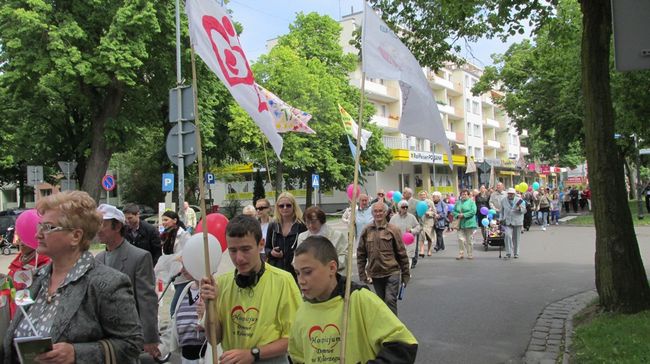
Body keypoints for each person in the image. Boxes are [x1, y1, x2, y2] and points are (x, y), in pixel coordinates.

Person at [3, 191, 142, 363]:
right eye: (40, 226)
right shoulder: (36, 278)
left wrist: (76, 353)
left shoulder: (106, 283)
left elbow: (132, 345)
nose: (37, 234)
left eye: (47, 227)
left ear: (76, 236)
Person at [289, 236, 418, 363]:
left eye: (307, 272)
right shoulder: (302, 311)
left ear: (332, 268)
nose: (301, 281)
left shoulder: (359, 299)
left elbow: (404, 344)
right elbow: (297, 356)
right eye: (297, 273)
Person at [200, 215, 302, 363]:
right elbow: (214, 340)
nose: (239, 258)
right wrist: (211, 306)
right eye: (232, 250)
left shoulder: (283, 281)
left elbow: (294, 339)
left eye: (245, 249)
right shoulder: (221, 283)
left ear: (261, 244)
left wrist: (253, 353)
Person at [95, 204, 160, 360]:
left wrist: (150, 337)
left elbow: (147, 300)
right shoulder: (98, 259)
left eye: (102, 224)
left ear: (117, 226)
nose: (98, 230)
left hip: (129, 335)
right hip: (103, 338)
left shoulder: (139, 257)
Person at [357, 202, 410, 315]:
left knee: (390, 300)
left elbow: (401, 253)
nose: (378, 213)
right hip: (376, 274)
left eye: (381, 211)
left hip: (392, 272)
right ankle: (384, 328)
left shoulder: (393, 230)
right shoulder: (367, 230)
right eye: (375, 211)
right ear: (372, 213)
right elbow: (361, 253)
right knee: (381, 304)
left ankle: (393, 329)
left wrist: (406, 274)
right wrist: (362, 274)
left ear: (386, 213)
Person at [7, 209, 51, 318]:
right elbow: (10, 294)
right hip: (14, 319)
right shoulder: (16, 264)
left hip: (33, 320)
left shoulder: (46, 264)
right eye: (20, 237)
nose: (21, 243)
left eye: (26, 238)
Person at [161, 261, 206, 364]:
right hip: (186, 357)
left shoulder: (211, 291)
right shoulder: (185, 291)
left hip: (205, 357)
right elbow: (175, 323)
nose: (181, 270)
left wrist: (206, 316)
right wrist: (161, 347)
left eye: (186, 265)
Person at [156, 210, 191, 317]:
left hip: (184, 276)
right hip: (175, 277)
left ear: (175, 220)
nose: (163, 222)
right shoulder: (166, 235)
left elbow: (187, 253)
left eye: (166, 220)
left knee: (174, 309)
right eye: (162, 220)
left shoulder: (184, 235)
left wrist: (179, 264)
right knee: (182, 306)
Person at [265, 192, 307, 279]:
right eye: (281, 206)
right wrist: (271, 253)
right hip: (276, 271)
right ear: (277, 207)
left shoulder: (301, 226)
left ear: (294, 206)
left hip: (295, 272)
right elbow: (266, 248)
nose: (285, 208)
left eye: (288, 205)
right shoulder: (272, 225)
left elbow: (306, 250)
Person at [296, 206, 348, 273]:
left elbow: (344, 259)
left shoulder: (337, 236)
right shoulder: (302, 237)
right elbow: (296, 259)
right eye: (307, 222)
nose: (310, 225)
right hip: (309, 279)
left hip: (331, 277)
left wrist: (324, 266)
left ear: (321, 220)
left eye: (313, 222)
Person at [389, 200, 421, 268]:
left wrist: (412, 230)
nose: (405, 208)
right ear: (399, 208)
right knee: (398, 257)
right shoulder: (394, 218)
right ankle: (401, 272)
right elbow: (389, 228)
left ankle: (407, 273)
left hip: (409, 242)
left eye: (406, 207)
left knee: (408, 257)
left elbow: (418, 227)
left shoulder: (411, 217)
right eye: (403, 207)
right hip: (398, 241)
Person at [501, 188, 527, 259]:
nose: (510, 195)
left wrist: (519, 209)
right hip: (507, 221)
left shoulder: (520, 200)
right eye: (509, 193)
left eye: (512, 194)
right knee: (507, 235)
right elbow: (501, 211)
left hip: (517, 221)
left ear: (514, 194)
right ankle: (508, 252)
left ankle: (516, 253)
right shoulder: (503, 200)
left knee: (516, 238)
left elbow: (524, 210)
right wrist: (501, 219)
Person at [452, 189, 478, 260]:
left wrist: (464, 215)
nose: (463, 196)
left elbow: (473, 211)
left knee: (469, 240)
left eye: (465, 194)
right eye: (462, 194)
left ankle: (470, 254)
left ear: (468, 195)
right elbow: (453, 211)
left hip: (469, 223)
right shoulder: (458, 202)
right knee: (460, 239)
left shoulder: (471, 202)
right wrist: (457, 215)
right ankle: (461, 253)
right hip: (460, 223)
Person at [417, 191, 435, 257]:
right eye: (421, 195)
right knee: (421, 237)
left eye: (424, 195)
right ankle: (422, 250)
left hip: (429, 222)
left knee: (429, 237)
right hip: (421, 222)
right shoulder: (418, 203)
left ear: (426, 195)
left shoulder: (430, 202)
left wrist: (429, 214)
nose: (423, 196)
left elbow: (434, 212)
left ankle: (429, 250)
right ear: (419, 196)